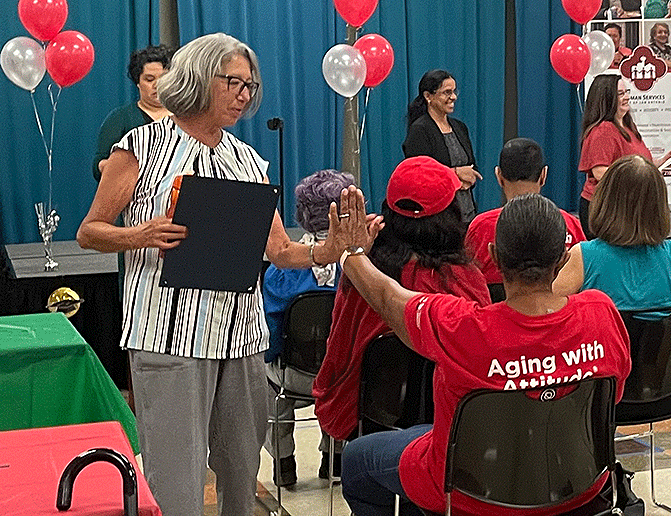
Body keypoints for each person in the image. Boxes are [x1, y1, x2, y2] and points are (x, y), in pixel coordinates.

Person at [76, 32, 381, 516]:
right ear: (198, 78)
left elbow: (280, 252)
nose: (244, 94)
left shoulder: (248, 159)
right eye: (233, 82)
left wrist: (330, 249)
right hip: (166, 334)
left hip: (241, 338)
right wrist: (142, 235)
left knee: (241, 472)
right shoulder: (140, 146)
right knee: (177, 481)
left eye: (250, 85)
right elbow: (89, 232)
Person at [332, 189, 631, 516]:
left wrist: (351, 252)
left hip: (468, 495)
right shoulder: (601, 313)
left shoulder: (460, 327)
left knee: (357, 460)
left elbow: (389, 298)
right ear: (562, 257)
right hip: (579, 487)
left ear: (494, 256)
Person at [313, 156, 491, 451]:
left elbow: (339, 355)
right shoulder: (465, 278)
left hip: (371, 429)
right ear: (451, 214)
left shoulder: (362, 277)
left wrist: (355, 256)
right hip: (452, 430)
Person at [263, 168, 354, 486]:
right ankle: (335, 458)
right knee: (341, 379)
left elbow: (271, 335)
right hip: (339, 375)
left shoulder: (280, 271)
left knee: (270, 383)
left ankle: (283, 464)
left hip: (293, 376)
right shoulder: (359, 271)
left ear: (302, 215)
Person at [466, 138, 585, 295]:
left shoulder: (480, 227)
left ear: (499, 176)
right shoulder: (570, 225)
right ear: (543, 175)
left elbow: (467, 282)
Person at [554, 155, 671, 315]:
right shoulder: (668, 255)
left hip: (597, 339)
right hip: (659, 339)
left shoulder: (583, 256)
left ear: (605, 200)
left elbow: (547, 313)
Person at [578, 74, 671, 239]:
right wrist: (634, 178)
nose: (627, 97)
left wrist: (662, 161)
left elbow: (639, 164)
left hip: (627, 207)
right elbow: (600, 173)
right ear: (607, 98)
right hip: (606, 210)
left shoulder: (628, 127)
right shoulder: (603, 130)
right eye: (621, 94)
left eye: (626, 92)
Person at [403, 69, 481, 224]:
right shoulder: (420, 130)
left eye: (454, 91)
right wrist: (456, 174)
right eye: (447, 92)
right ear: (428, 96)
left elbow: (472, 166)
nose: (454, 97)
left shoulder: (460, 127)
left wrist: (470, 177)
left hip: (467, 215)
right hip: (439, 221)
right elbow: (419, 177)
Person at [92, 45, 175, 181]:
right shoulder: (120, 119)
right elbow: (98, 165)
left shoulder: (184, 117)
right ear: (138, 82)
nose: (157, 85)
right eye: (149, 79)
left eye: (164, 78)